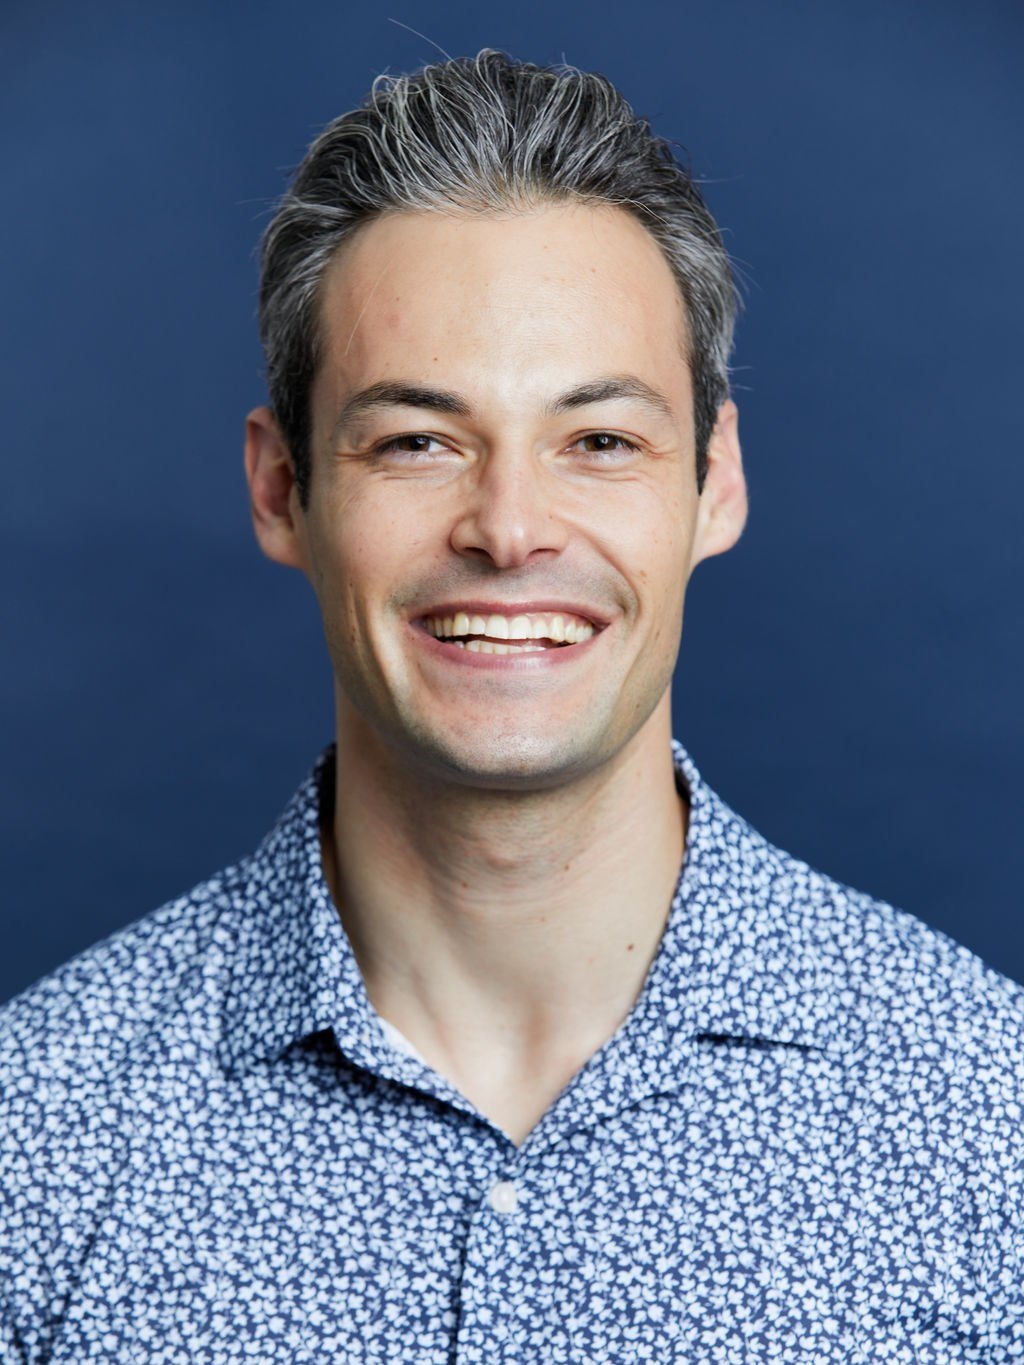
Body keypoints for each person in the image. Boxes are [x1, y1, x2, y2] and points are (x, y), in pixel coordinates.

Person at [1, 48, 1021, 1364]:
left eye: (599, 439)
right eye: (416, 438)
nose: (510, 526)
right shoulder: (37, 1144)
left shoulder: (984, 1121)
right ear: (281, 490)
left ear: (713, 484)